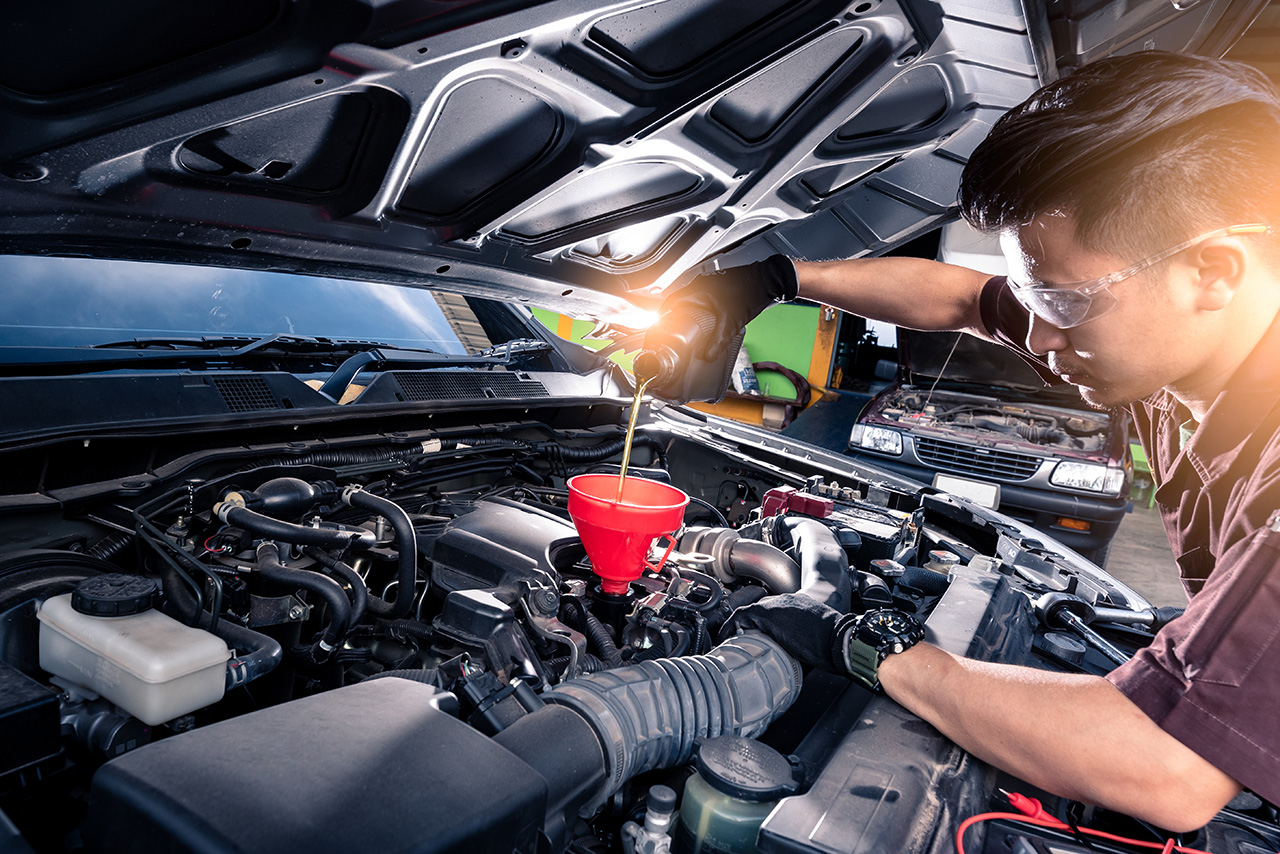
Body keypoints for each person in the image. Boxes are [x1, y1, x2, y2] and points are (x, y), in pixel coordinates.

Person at [653, 51, 1280, 832]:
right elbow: (963, 302)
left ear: (1214, 271)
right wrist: (776, 279)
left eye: (1064, 302)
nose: (1039, 337)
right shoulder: (1179, 346)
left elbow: (1169, 769)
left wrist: (870, 649)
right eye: (1032, 296)